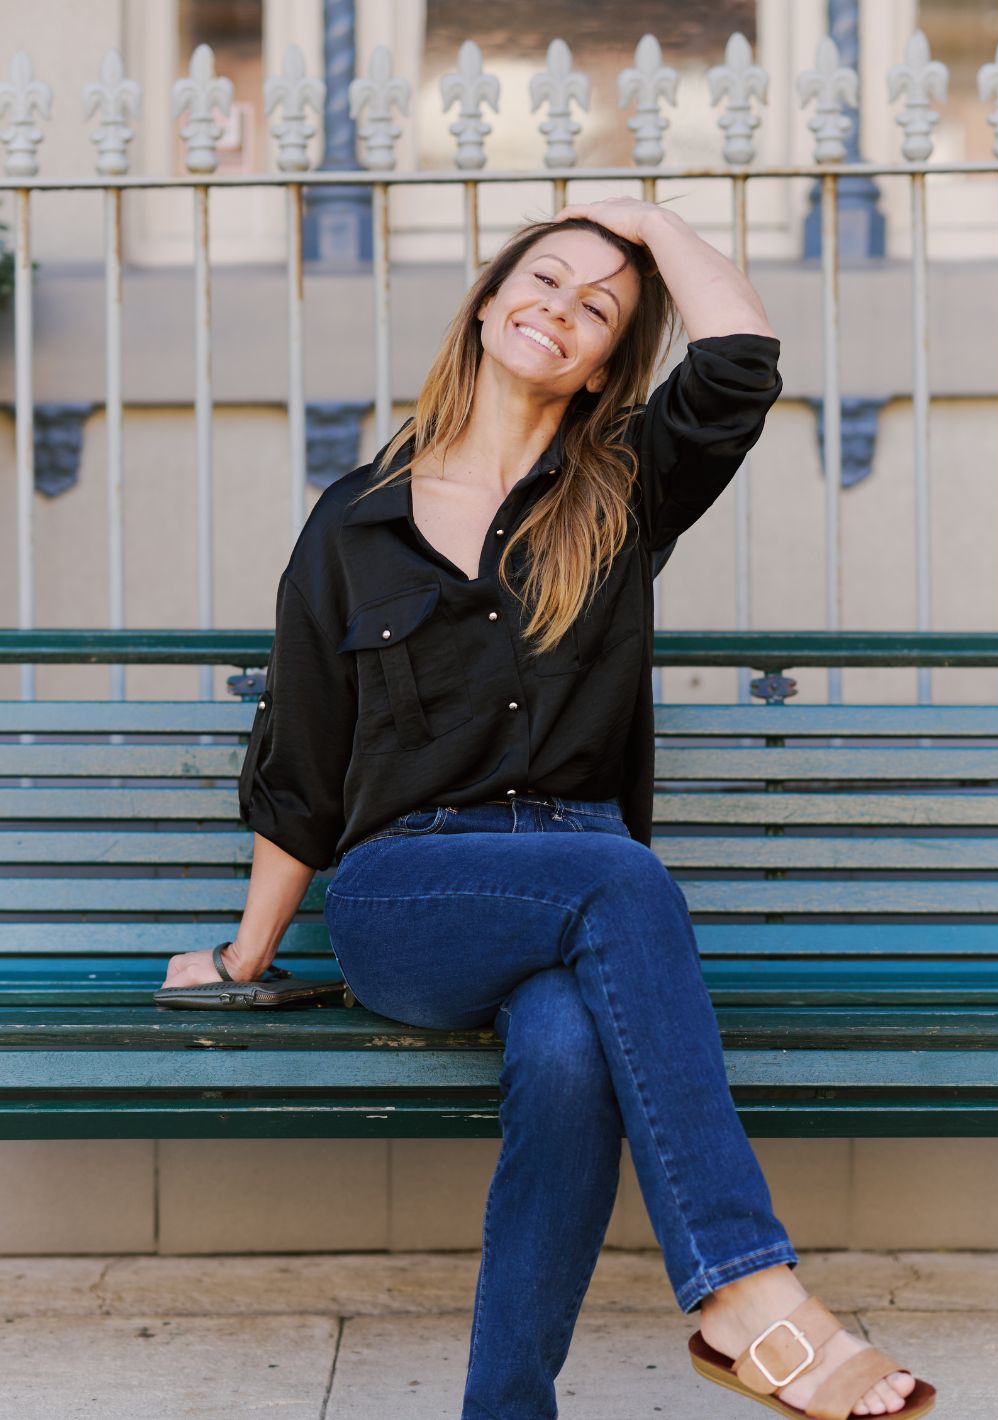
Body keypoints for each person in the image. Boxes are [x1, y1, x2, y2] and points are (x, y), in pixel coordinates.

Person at [161, 198, 935, 1420]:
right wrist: (244, 955)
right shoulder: (353, 524)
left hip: (581, 885)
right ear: (484, 305)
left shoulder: (621, 493)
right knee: (624, 878)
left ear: (603, 367)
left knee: (570, 1052)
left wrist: (644, 220)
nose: (560, 308)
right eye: (542, 277)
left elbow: (739, 358)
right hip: (410, 893)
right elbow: (303, 766)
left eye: (598, 308)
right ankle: (748, 1293)